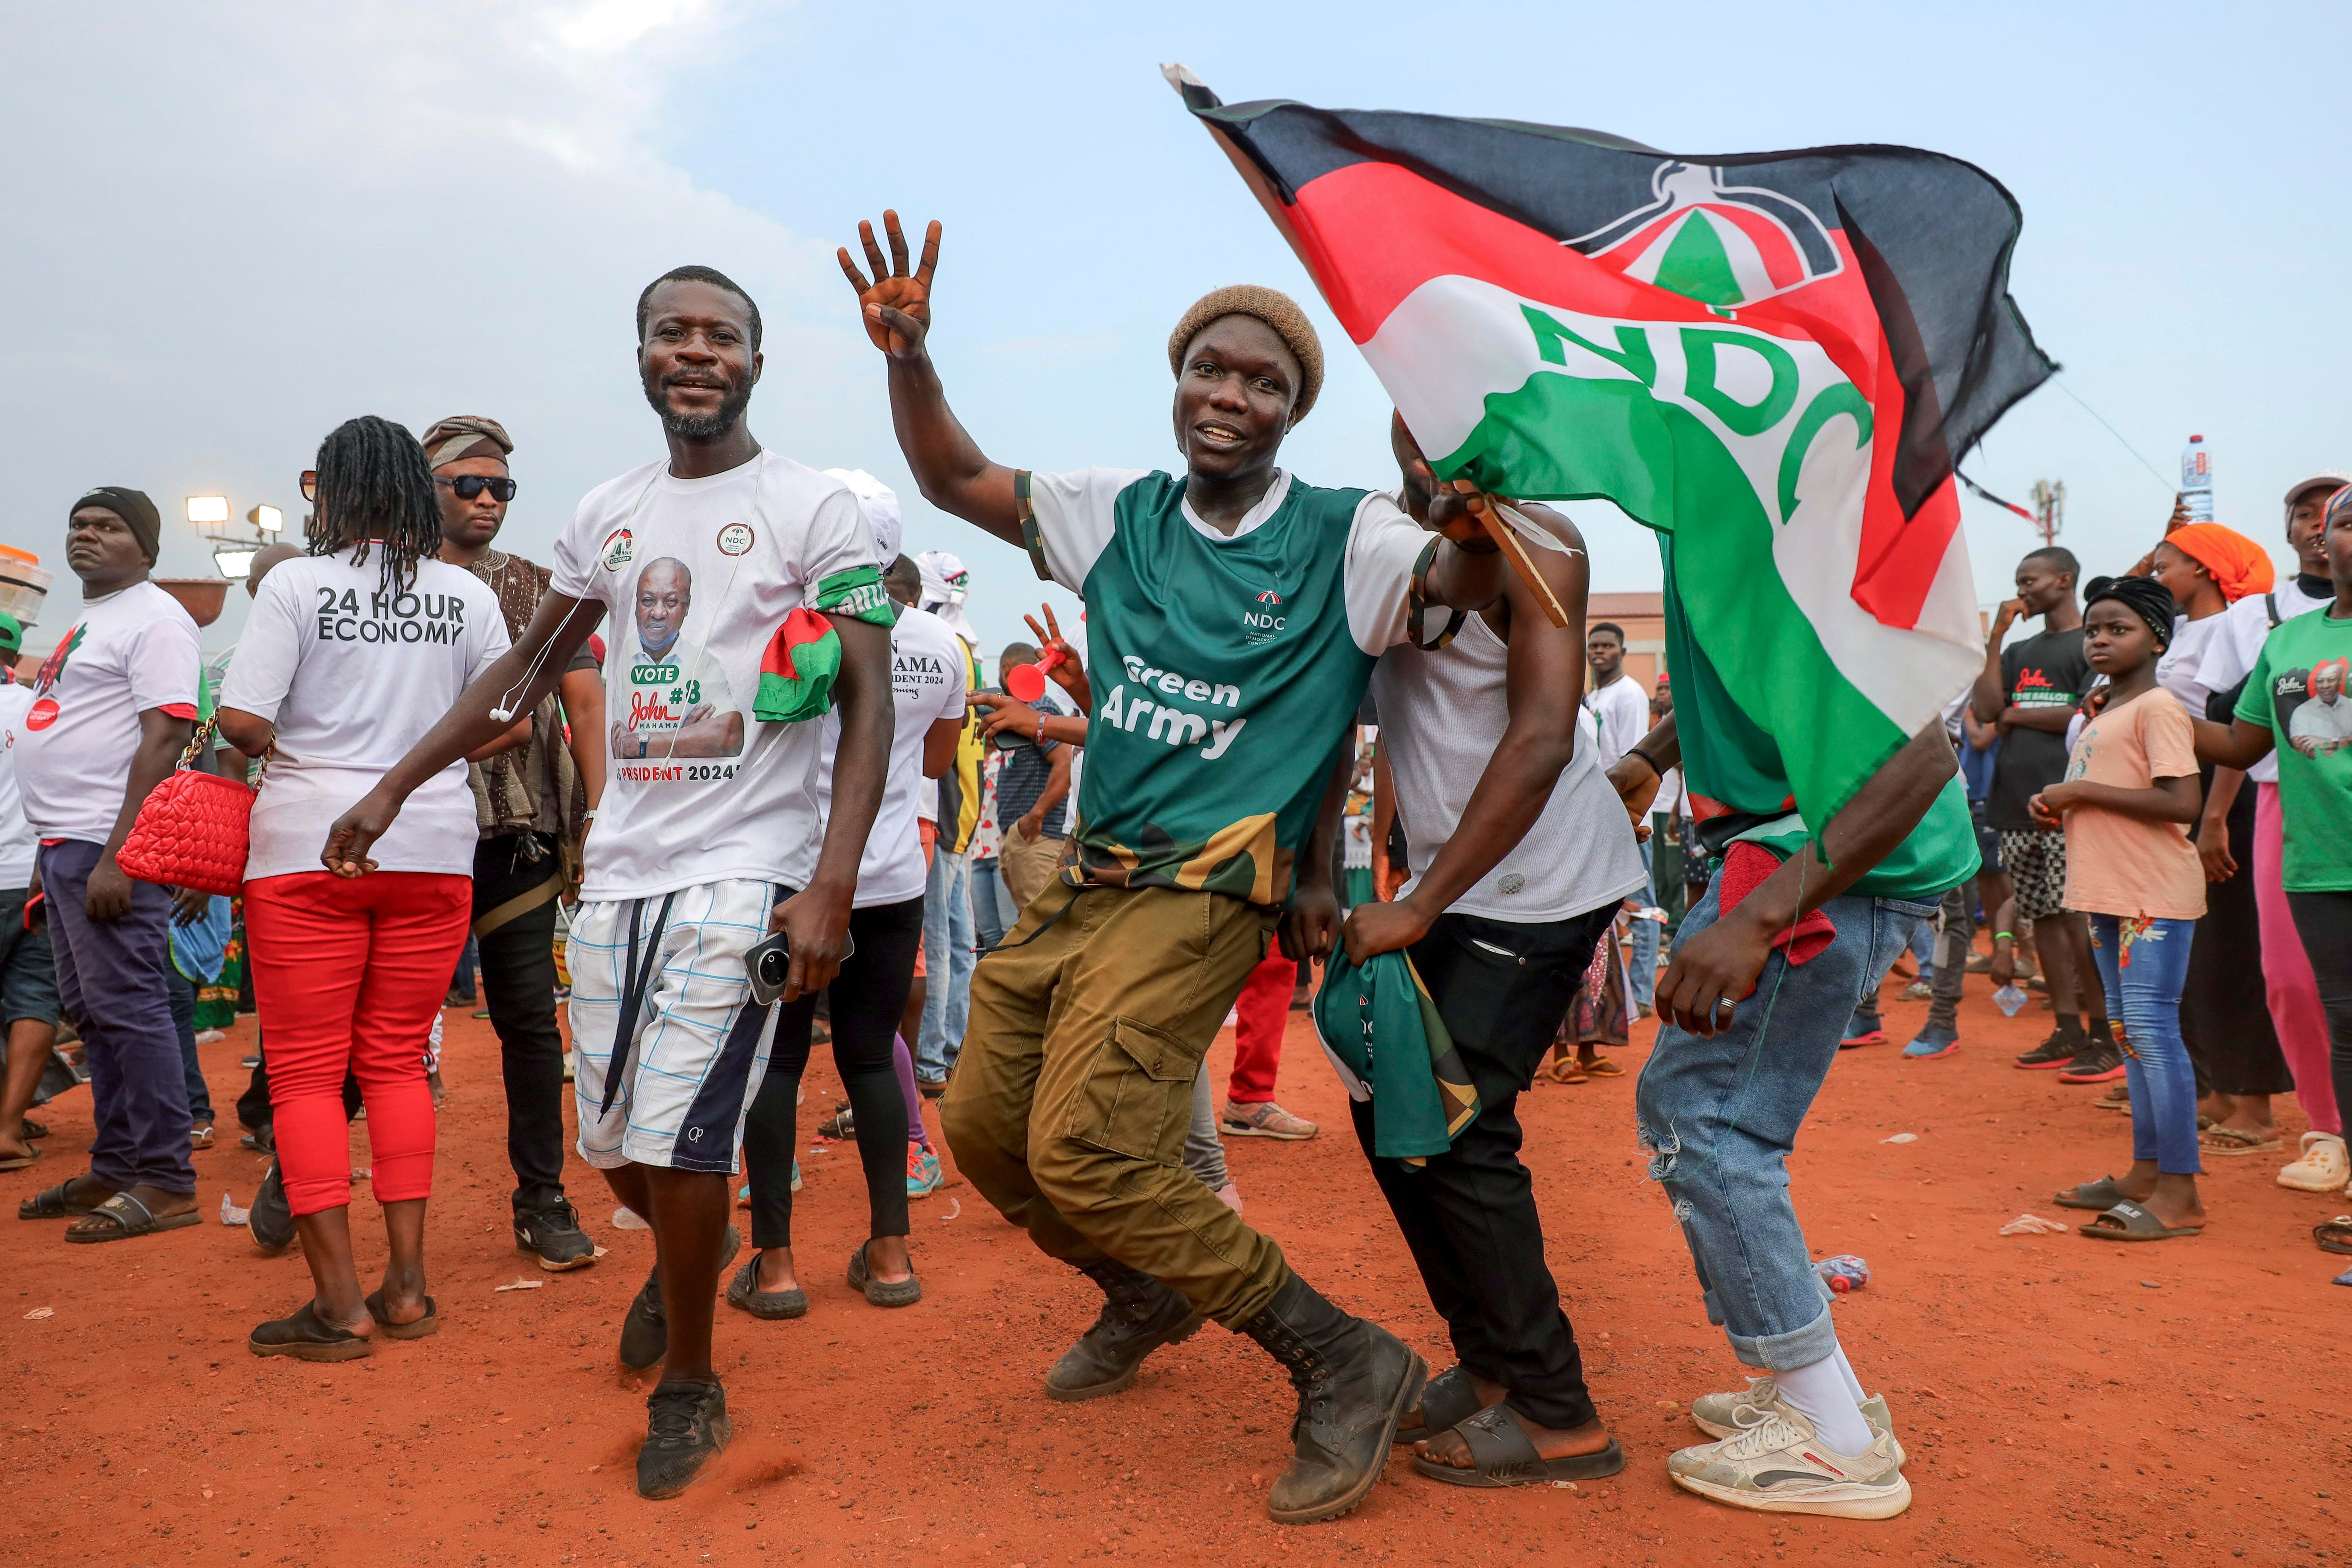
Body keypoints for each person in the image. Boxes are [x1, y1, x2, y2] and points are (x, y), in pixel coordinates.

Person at [841, 210, 1505, 1525]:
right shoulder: (1118, 515)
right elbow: (954, 480)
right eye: (1212, 366)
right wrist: (910, 355)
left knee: (1088, 1150)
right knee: (979, 1128)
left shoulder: (1342, 534)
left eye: (1264, 382)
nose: (1231, 393)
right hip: (1082, 881)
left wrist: (1471, 490)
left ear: (1289, 411)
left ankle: (1340, 1356)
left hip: (1204, 892)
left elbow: (1460, 582)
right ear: (1177, 377)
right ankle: (1144, 1290)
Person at [323, 266, 895, 1497]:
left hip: (750, 869)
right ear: (640, 356)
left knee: (685, 1143)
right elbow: (526, 675)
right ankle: (684, 1255)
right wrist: (395, 783)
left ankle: (691, 1379)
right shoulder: (607, 512)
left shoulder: (815, 510)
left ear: (755, 358)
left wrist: (831, 884)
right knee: (607, 1147)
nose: (695, 351)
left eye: (720, 335)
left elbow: (865, 697)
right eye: (670, 333)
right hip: (621, 871)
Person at [1344, 424, 1647, 1485]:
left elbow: (1540, 738)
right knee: (1388, 1113)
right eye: (1420, 409)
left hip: (1540, 883)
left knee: (1461, 1125)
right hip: (1442, 883)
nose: (1440, 436)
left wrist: (1419, 902)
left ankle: (1560, 1417)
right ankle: (1485, 1365)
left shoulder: (1541, 538)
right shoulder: (1376, 541)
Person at [1610, 645, 1967, 1516]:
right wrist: (1654, 754)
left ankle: (1832, 1442)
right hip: (1803, 849)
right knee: (1694, 1113)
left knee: (1710, 1125)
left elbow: (1923, 751)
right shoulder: (1733, 537)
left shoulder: (1766, 528)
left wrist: (1765, 912)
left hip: (1818, 861)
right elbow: (1745, 678)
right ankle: (1826, 1394)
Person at [216, 415, 517, 1356]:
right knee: (395, 1059)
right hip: (430, 845)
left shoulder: (297, 585)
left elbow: (241, 721)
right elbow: (504, 722)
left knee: (305, 1071)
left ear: (333, 492)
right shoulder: (465, 595)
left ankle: (339, 1304)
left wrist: (322, 738)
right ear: (418, 491)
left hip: (308, 847)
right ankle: (409, 1290)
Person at [733, 516, 968, 1320]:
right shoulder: (939, 643)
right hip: (893, 874)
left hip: (793, 878)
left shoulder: (788, 627)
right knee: (871, 1062)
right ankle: (893, 1258)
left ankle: (775, 1271)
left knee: (778, 1063)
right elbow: (939, 761)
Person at [421, 412, 606, 1270]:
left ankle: (542, 1198)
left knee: (530, 1022)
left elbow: (585, 700)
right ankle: (294, 1180)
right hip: (414, 833)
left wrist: (597, 819)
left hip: (517, 831)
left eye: (501, 487)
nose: (488, 499)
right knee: (383, 1020)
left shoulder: (537, 585)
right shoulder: (388, 582)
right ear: (428, 485)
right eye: (469, 483)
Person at [11, 487, 202, 1241]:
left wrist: (123, 853)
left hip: (108, 844)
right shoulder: (94, 618)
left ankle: (166, 1178)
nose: (88, 536)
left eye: (110, 528)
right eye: (80, 525)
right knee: (92, 1014)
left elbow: (166, 739)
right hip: (66, 843)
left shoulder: (157, 619)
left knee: (130, 1007)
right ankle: (118, 1162)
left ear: (146, 548)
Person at [2195, 483, 2352, 1221]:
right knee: (2300, 989)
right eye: (2336, 521)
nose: (2336, 533)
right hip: (2303, 826)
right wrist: (2150, 711)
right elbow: (2240, 735)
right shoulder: (2280, 633)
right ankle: (2329, 1136)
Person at [2037, 576, 2208, 1239]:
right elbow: (2114, 793)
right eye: (2092, 629)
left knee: (2150, 1034)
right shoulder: (2106, 713)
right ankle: (2144, 1173)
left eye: (2118, 628)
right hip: (2110, 892)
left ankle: (2181, 1192)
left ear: (2157, 639)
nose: (2100, 639)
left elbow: (2180, 803)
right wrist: (2065, 801)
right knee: (2129, 1034)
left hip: (2150, 893)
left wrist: (2078, 789)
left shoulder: (2158, 708)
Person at [2142, 521, 2298, 1153]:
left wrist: (2212, 816)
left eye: (2166, 565)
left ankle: (2255, 1104)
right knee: (2197, 954)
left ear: (2205, 569)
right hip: (2184, 791)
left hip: (2222, 796)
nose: (2158, 578)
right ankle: (2216, 1089)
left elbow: (2242, 727)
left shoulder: (2236, 627)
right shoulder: (2183, 632)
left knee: (2233, 951)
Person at [1973, 546, 2115, 1080]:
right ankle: (2066, 1029)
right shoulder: (2019, 649)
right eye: (2018, 581)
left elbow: (2085, 715)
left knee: (2076, 917)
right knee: (2044, 918)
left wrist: (2017, 712)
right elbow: (1986, 711)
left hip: (2069, 800)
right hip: (2015, 803)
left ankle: (2103, 1033)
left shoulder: (2094, 643)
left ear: (2064, 579)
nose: (2022, 589)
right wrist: (1995, 639)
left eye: (2030, 580)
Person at [911, 548, 983, 1092]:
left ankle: (930, 1062)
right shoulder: (966, 644)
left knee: (938, 945)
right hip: (963, 813)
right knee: (958, 945)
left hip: (941, 813)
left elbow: (944, 752)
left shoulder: (939, 644)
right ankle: (953, 1050)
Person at [0, 611, 63, 1172]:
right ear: (16, 657)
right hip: (31, 876)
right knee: (34, 999)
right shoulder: (37, 710)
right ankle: (9, 1127)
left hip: (24, 873)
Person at [990, 641, 1074, 911]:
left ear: (1006, 670)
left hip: (1036, 838)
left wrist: (1036, 816)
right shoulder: (1024, 710)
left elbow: (1064, 762)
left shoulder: (1036, 708)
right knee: (1031, 926)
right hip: (1024, 837)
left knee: (1043, 929)